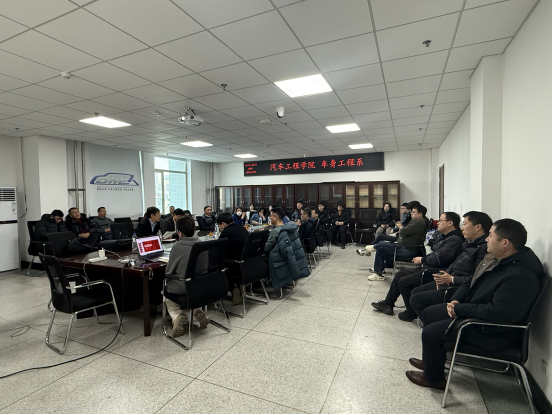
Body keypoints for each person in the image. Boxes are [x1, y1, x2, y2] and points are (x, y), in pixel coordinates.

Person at [406, 219, 543, 391]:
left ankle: (433, 379)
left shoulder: (520, 276)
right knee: (429, 313)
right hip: (474, 311)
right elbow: (471, 281)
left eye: (490, 236)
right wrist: (456, 300)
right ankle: (431, 362)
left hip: (490, 331)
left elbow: (498, 313)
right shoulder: (500, 261)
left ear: (504, 243)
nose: (486, 239)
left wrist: (460, 309)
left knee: (430, 333)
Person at [371, 212, 465, 321]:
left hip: (434, 271)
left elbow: (439, 258)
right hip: (428, 265)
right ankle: (388, 304)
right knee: (400, 274)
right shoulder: (445, 236)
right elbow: (434, 246)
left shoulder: (455, 240)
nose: (438, 223)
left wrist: (423, 259)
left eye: (440, 220)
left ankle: (411, 312)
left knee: (404, 281)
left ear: (450, 223)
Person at [410, 211, 493, 319]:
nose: (462, 228)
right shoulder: (469, 244)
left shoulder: (483, 249)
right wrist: (444, 276)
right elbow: (455, 263)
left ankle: (431, 322)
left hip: (458, 287)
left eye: (465, 224)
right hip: (450, 281)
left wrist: (452, 279)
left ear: (477, 227)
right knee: (415, 292)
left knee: (417, 299)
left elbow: (475, 278)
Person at [164, 216, 211, 338]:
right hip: (200, 285)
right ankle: (197, 310)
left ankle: (177, 315)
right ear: (194, 229)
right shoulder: (202, 244)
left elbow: (169, 271)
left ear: (179, 232)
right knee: (191, 290)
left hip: (182, 286)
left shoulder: (177, 247)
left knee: (166, 294)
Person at [367, 205, 428, 282]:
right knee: (381, 249)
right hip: (403, 246)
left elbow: (404, 232)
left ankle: (373, 248)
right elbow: (404, 233)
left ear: (420, 214)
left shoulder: (419, 223)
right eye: (411, 212)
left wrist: (400, 226)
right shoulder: (415, 221)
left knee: (381, 244)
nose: (411, 214)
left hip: (407, 250)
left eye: (413, 212)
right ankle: (378, 273)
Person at [264, 208, 310, 290]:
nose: (270, 218)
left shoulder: (275, 231)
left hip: (277, 259)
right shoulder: (289, 228)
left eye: (271, 216)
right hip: (286, 258)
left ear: (275, 217)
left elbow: (266, 248)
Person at [217, 213, 249, 306]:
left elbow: (220, 250)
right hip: (246, 264)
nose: (219, 228)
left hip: (234, 264)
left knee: (218, 264)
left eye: (219, 226)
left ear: (223, 224)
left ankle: (233, 288)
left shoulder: (226, 232)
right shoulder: (241, 228)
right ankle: (240, 285)